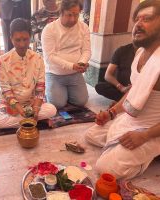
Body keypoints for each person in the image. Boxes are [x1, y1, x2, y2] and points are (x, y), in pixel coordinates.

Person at [85, 0, 160, 179]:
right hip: (131, 120)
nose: (138, 25)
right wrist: (111, 113)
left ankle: (151, 152)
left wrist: (145, 136)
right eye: (136, 19)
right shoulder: (140, 54)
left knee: (105, 168)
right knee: (91, 135)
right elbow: (133, 92)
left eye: (147, 18)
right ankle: (123, 148)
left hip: (151, 130)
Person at [0, 18, 57, 129]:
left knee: (52, 110)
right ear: (11, 39)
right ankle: (33, 121)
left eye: (25, 39)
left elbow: (40, 88)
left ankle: (27, 120)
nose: (22, 44)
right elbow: (6, 91)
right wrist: (19, 109)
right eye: (18, 40)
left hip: (31, 103)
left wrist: (36, 108)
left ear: (30, 37)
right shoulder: (2, 61)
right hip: (11, 105)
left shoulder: (38, 58)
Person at [41, 0, 91, 109]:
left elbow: (86, 51)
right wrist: (72, 65)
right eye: (69, 15)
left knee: (81, 101)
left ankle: (65, 92)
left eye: (76, 15)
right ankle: (56, 91)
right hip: (55, 74)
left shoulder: (84, 27)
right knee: (58, 104)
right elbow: (50, 57)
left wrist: (82, 63)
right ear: (61, 12)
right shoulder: (49, 29)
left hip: (75, 74)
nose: (73, 19)